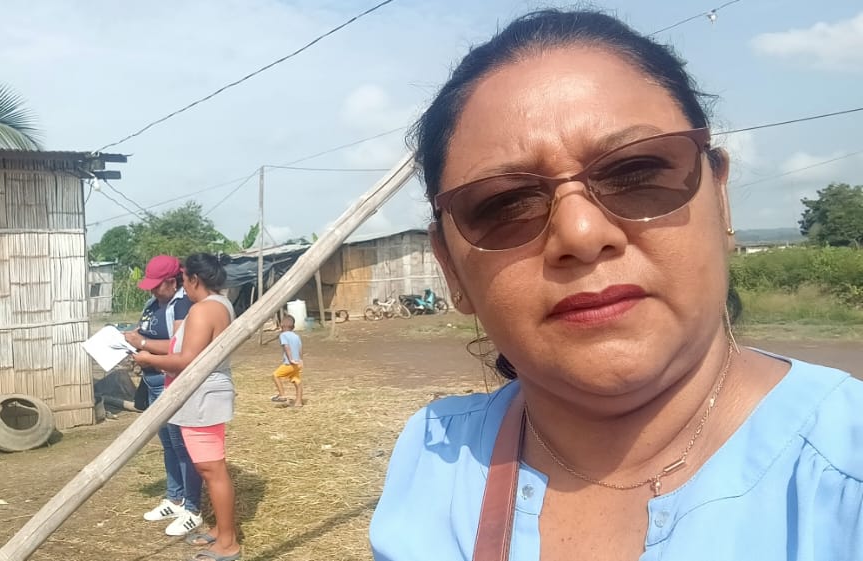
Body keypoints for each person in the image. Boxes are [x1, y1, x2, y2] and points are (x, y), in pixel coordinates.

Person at [371, 9, 863, 561]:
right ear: (451, 268)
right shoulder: (436, 467)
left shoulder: (844, 472)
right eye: (505, 204)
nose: (581, 235)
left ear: (720, 199)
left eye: (637, 174)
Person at [135, 253, 241, 561]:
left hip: (202, 396)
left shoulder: (202, 310)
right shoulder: (221, 304)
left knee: (212, 469)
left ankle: (228, 543)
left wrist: (148, 359)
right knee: (210, 467)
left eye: (184, 281)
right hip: (207, 394)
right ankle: (222, 531)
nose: (184, 287)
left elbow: (186, 360)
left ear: (195, 279)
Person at [124, 255, 204, 536]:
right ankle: (174, 498)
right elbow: (144, 334)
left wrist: (143, 343)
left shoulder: (182, 305)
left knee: (182, 445)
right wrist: (132, 341)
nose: (154, 291)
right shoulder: (153, 304)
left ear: (173, 281)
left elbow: (178, 347)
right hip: (152, 381)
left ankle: (192, 507)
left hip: (171, 381)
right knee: (168, 444)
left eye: (158, 286)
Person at [270, 315, 304, 407]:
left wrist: (290, 359)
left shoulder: (283, 335)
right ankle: (298, 402)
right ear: (293, 326)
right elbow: (300, 349)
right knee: (297, 381)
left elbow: (286, 347)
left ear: (282, 325)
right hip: (297, 363)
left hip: (290, 363)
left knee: (275, 375)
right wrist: (301, 360)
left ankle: (282, 395)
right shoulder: (296, 336)